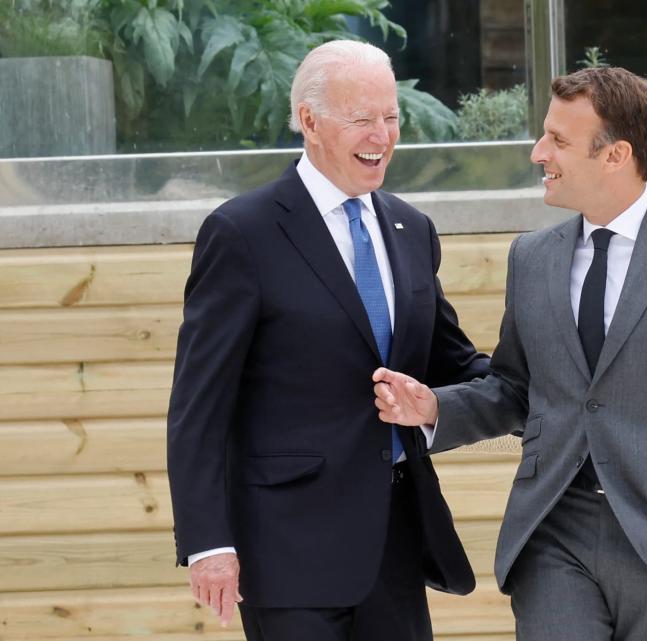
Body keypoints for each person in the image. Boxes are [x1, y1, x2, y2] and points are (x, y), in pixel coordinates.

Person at [373, 67, 647, 641]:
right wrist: (434, 409)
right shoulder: (532, 256)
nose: (538, 152)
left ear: (616, 154)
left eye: (558, 141)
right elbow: (515, 388)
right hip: (552, 527)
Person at [166, 40, 489, 641]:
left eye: (391, 117)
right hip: (285, 547)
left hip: (394, 542)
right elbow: (198, 406)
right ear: (309, 121)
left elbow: (457, 363)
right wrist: (209, 542)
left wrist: (555, 381)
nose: (383, 134)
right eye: (362, 118)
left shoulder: (410, 228)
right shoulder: (242, 232)